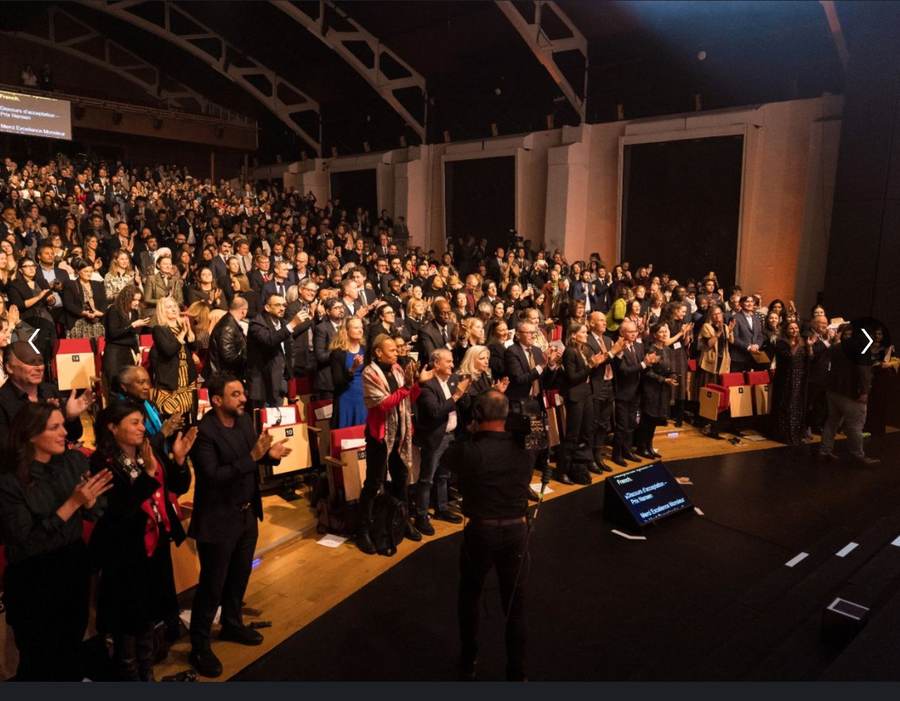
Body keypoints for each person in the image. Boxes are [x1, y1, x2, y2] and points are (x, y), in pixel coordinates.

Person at [188, 373, 291, 677]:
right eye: (235, 395)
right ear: (217, 400)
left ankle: (232, 623)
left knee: (239, 576)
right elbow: (213, 477)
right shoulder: (204, 432)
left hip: (246, 515)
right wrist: (254, 456)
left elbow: (254, 457)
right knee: (212, 587)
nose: (244, 398)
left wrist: (269, 457)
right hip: (218, 520)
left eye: (243, 393)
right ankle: (200, 646)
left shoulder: (245, 421)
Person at [0, 402, 113, 680]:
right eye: (55, 427)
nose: (65, 432)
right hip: (34, 579)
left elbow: (96, 511)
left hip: (72, 565)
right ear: (30, 435)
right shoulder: (9, 480)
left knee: (72, 643)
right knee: (40, 658)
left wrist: (92, 502)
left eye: (63, 424)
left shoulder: (72, 461)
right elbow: (25, 543)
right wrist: (73, 504)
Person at [88, 402, 197, 681]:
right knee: (128, 621)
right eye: (134, 422)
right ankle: (130, 677)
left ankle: (147, 675)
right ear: (113, 427)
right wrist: (148, 476)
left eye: (141, 422)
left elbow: (177, 486)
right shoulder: (102, 461)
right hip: (126, 553)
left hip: (155, 545)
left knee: (149, 615)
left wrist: (180, 460)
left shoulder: (147, 452)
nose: (141, 428)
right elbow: (119, 510)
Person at [443, 390, 537, 681]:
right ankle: (516, 672)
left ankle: (469, 660)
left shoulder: (470, 450)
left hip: (480, 532)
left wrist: (470, 433)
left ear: (477, 416)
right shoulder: (526, 447)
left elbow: (447, 458)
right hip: (516, 531)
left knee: (469, 596)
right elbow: (535, 442)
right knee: (515, 605)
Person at [356, 335, 430, 555]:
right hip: (379, 436)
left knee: (401, 479)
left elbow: (408, 399)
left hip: (400, 433)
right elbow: (383, 404)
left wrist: (418, 384)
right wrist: (407, 387)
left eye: (397, 349)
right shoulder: (369, 372)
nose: (397, 352)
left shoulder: (397, 369)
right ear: (378, 352)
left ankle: (402, 520)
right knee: (374, 482)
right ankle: (364, 530)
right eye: (391, 350)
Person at [412, 348, 469, 536]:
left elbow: (460, 406)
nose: (453, 365)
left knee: (444, 476)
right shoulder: (428, 385)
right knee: (427, 479)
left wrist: (462, 393)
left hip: (451, 436)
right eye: (448, 362)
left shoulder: (451, 381)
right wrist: (457, 395)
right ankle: (421, 516)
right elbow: (435, 412)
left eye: (452, 361)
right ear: (436, 364)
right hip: (435, 438)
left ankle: (442, 508)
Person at [0, 341, 91, 451]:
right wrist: (42, 421)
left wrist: (70, 417)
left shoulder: (50, 391)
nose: (39, 368)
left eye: (40, 362)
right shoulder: (3, 401)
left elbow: (72, 436)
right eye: (31, 362)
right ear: (9, 367)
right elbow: (7, 451)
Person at [504, 320, 561, 480]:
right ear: (518, 335)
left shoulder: (536, 350)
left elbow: (546, 382)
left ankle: (527, 479)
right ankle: (519, 481)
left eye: (533, 333)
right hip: (518, 406)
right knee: (521, 447)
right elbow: (519, 379)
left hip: (535, 403)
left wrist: (550, 366)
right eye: (528, 332)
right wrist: (541, 366)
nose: (532, 335)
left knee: (534, 447)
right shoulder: (512, 351)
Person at [819, 328, 879, 465]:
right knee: (855, 426)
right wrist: (864, 392)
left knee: (831, 422)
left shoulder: (836, 347)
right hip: (851, 394)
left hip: (833, 391)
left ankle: (824, 451)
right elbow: (864, 373)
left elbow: (824, 364)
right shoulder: (861, 350)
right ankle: (858, 455)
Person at [557, 322, 601, 484]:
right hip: (575, 396)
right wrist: (590, 365)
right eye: (583, 332)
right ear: (574, 335)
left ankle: (579, 466)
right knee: (572, 435)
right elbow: (572, 377)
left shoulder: (584, 350)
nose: (586, 335)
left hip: (586, 394)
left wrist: (594, 363)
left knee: (587, 432)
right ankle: (562, 470)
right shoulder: (569, 351)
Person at [610, 320, 657, 467]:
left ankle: (627, 450)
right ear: (622, 333)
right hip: (623, 393)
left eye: (635, 331)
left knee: (631, 424)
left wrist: (649, 361)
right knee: (622, 425)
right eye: (630, 332)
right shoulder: (618, 348)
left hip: (637, 392)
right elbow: (624, 371)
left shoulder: (638, 345)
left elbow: (643, 366)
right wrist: (644, 364)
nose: (634, 334)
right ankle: (616, 454)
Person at [246, 293, 306, 408]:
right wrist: (292, 324)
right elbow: (270, 340)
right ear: (267, 307)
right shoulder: (257, 323)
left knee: (278, 419)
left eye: (284, 305)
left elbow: (290, 347)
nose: (282, 308)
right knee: (264, 419)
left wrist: (289, 366)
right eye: (278, 305)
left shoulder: (282, 322)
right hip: (263, 382)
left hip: (280, 378)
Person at [634, 323, 678, 459]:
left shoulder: (667, 349)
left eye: (666, 331)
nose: (664, 334)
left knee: (655, 420)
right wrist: (663, 380)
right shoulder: (651, 349)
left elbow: (671, 368)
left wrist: (672, 376)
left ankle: (649, 446)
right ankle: (642, 447)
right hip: (651, 388)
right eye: (661, 332)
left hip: (662, 389)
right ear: (654, 335)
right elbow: (647, 372)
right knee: (648, 419)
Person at [150, 296, 198, 417]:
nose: (173, 309)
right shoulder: (159, 330)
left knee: (189, 414)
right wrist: (182, 333)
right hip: (171, 378)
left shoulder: (182, 326)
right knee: (172, 416)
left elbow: (194, 347)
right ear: (162, 311)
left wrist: (189, 330)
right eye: (169, 307)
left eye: (174, 306)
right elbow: (169, 350)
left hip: (187, 376)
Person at [769, 321, 814, 445]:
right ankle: (785, 435)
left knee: (798, 405)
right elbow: (790, 357)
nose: (794, 330)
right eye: (791, 328)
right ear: (786, 330)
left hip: (800, 378)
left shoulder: (803, 341)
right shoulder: (781, 343)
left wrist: (809, 346)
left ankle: (797, 434)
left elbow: (809, 358)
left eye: (796, 328)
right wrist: (796, 344)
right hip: (786, 379)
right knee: (787, 404)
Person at [102, 284, 150, 388]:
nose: (137, 303)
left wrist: (137, 351)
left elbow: (133, 336)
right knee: (115, 385)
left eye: (138, 300)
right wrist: (132, 325)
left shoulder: (134, 313)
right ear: (126, 298)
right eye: (134, 300)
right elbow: (113, 333)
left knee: (130, 385)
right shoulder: (114, 310)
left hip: (128, 352)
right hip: (114, 352)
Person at [585, 312, 615, 470]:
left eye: (605, 320)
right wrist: (613, 352)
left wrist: (618, 352)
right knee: (593, 423)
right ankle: (589, 458)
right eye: (601, 321)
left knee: (604, 423)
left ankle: (598, 455)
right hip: (596, 385)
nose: (604, 323)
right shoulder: (588, 340)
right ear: (592, 323)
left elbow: (614, 359)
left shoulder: (609, 340)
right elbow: (594, 363)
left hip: (609, 384)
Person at [329, 317, 367, 428]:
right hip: (345, 397)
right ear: (346, 331)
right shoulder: (338, 353)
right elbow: (337, 382)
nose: (360, 330)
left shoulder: (365, 349)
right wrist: (353, 369)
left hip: (363, 397)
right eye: (356, 327)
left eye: (361, 327)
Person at [62, 257, 108, 339]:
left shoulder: (98, 284)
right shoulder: (70, 284)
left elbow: (104, 302)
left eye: (91, 271)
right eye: (86, 271)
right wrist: (85, 313)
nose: (89, 274)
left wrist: (100, 313)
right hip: (78, 321)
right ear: (78, 271)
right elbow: (68, 304)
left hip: (97, 320)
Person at [205, 296, 249, 379]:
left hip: (227, 375)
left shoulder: (230, 323)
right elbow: (229, 357)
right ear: (243, 311)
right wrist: (248, 353)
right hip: (223, 377)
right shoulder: (228, 327)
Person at [313, 298, 345, 398]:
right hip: (329, 382)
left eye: (342, 307)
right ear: (328, 311)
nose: (341, 310)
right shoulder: (321, 328)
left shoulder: (347, 326)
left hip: (346, 379)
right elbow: (320, 356)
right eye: (337, 308)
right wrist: (338, 350)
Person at [729, 295, 764, 372]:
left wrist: (757, 345)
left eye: (752, 301)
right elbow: (734, 338)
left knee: (751, 383)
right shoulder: (735, 318)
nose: (750, 304)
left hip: (753, 357)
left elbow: (760, 336)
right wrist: (748, 347)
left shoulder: (756, 318)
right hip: (738, 358)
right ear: (741, 304)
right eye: (747, 301)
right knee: (736, 383)